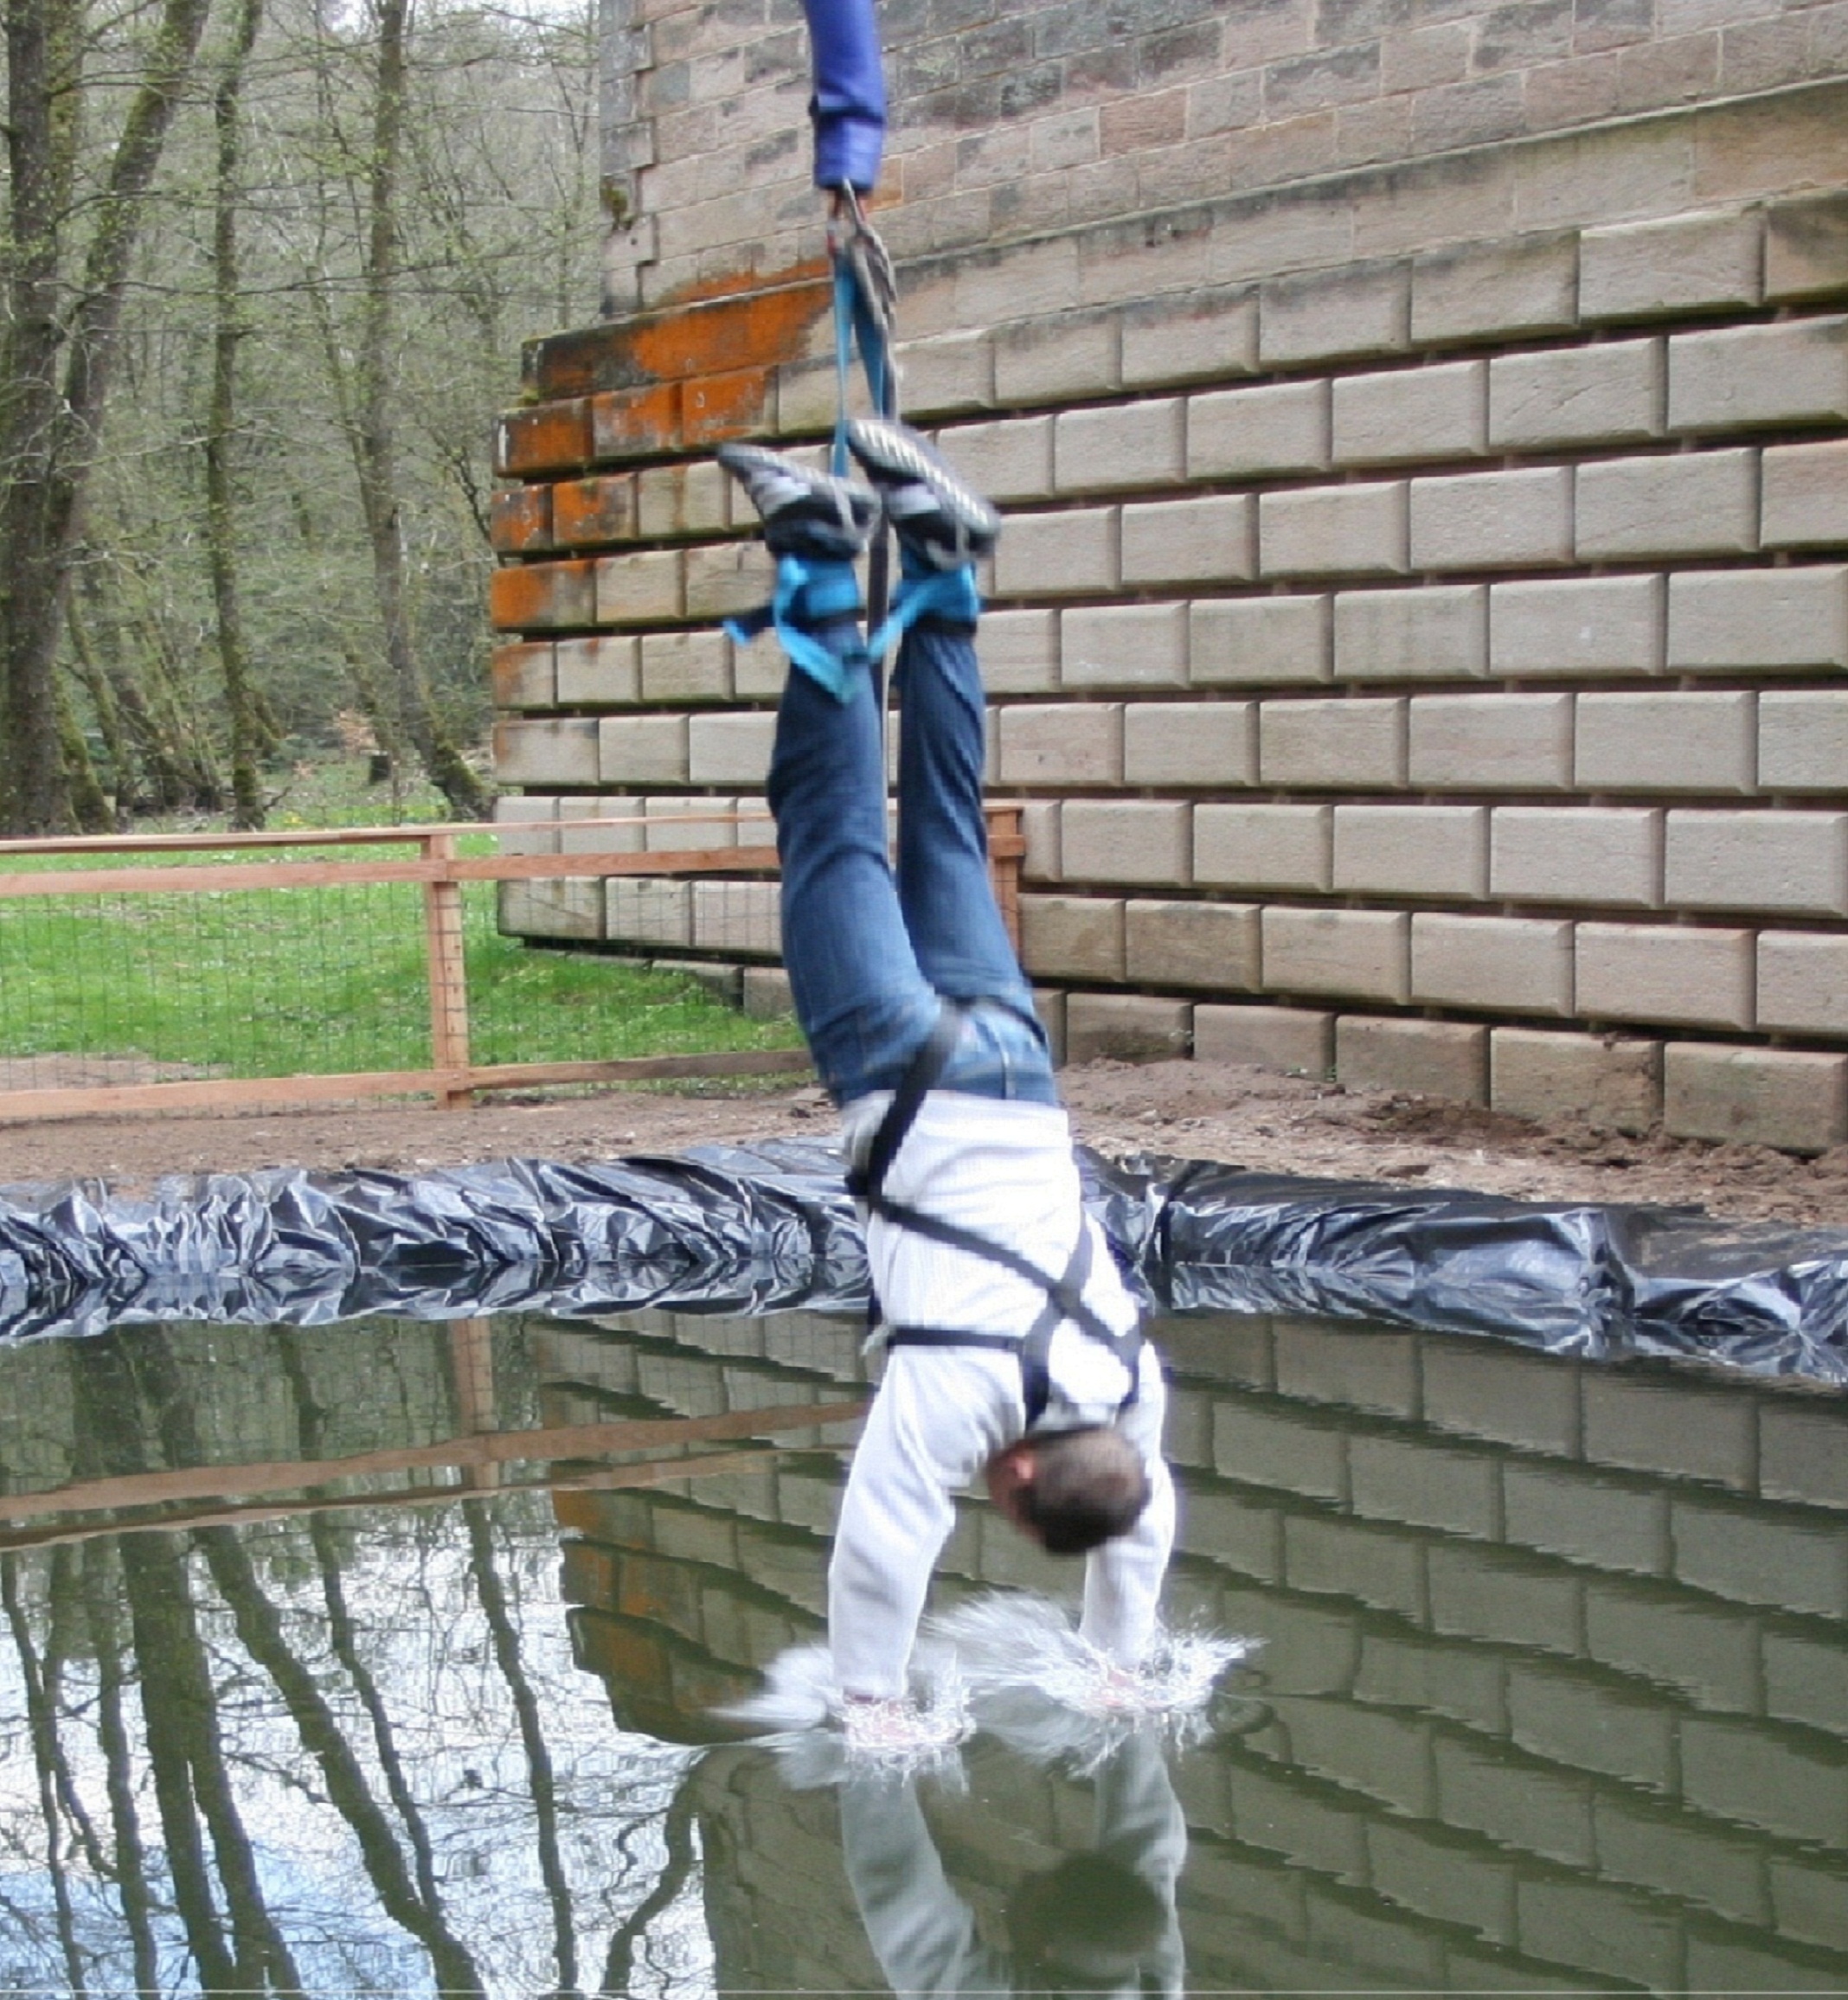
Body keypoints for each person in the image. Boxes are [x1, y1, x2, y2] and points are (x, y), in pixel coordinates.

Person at [716, 419, 1177, 1745]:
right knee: (831, 826)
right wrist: (874, 1708)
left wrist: (1120, 1665)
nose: (991, 1492)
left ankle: (947, 560)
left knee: (949, 807)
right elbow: (880, 1549)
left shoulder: (1133, 1388)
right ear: (1024, 1470)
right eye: (1009, 1499)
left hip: (1017, 1067)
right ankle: (819, 547)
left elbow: (1143, 1523)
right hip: (896, 1068)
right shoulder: (960, 1396)